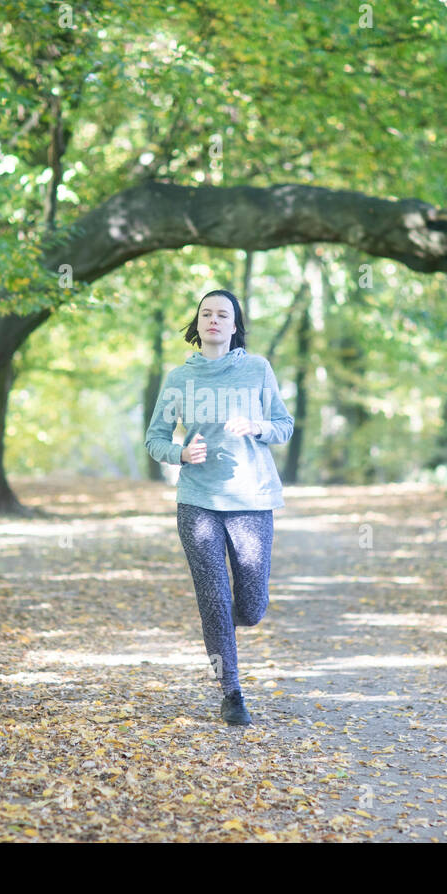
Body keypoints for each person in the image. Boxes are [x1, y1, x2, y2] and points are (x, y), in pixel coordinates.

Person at [144, 289, 294, 726]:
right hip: (197, 502)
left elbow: (284, 425)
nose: (213, 320)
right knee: (212, 599)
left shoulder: (257, 370)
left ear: (234, 325)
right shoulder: (178, 379)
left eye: (222, 314)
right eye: (205, 313)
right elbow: (155, 437)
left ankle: (233, 619)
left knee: (250, 605)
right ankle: (231, 693)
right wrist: (180, 454)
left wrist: (257, 426)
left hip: (252, 499)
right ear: (198, 324)